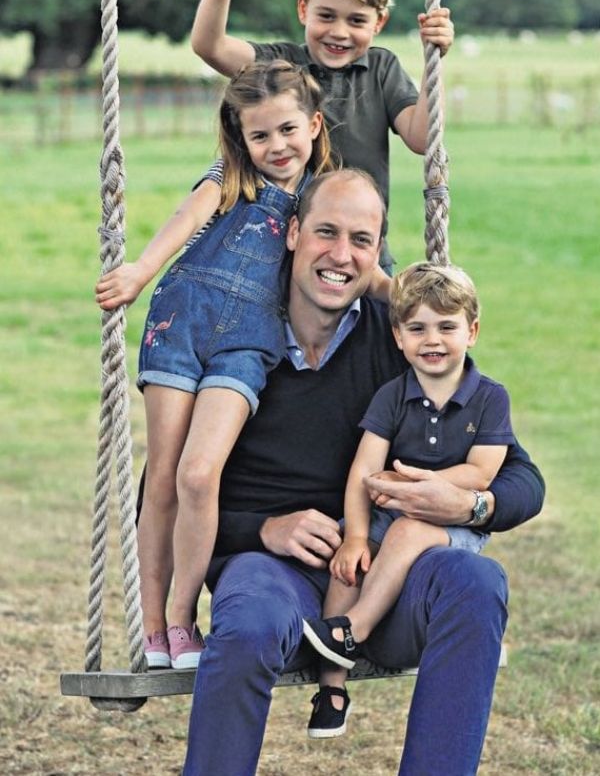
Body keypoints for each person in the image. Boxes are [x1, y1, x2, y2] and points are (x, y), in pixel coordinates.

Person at [179, 169, 545, 775]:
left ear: (378, 254)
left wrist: (467, 507)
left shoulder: (400, 341)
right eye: (326, 232)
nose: (341, 256)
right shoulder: (238, 338)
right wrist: (264, 530)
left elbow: (521, 480)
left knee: (475, 585)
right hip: (276, 577)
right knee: (245, 622)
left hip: (388, 578)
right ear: (293, 232)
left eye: (362, 239)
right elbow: (164, 498)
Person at [95, 60, 338, 670]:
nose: (275, 146)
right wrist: (140, 271)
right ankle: (155, 629)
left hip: (249, 341)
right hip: (182, 320)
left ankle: (182, 617)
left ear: (312, 124)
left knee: (201, 475)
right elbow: (186, 220)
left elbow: (348, 258)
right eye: (260, 135)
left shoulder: (321, 195)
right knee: (165, 476)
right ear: (242, 137)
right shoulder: (231, 175)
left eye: (286, 130)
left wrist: (408, 295)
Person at [302, 261, 516, 739]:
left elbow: (483, 472)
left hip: (453, 522)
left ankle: (353, 628)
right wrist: (356, 536)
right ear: (398, 337)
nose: (433, 340)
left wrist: (424, 487)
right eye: (417, 328)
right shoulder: (392, 396)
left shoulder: (489, 399)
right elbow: (363, 471)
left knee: (408, 529)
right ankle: (332, 687)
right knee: (346, 563)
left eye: (447, 327)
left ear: (472, 331)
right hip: (390, 507)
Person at [191, 0, 454, 270]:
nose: (339, 32)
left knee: (378, 321)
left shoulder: (382, 69)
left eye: (357, 21)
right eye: (326, 16)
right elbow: (210, 46)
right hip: (287, 258)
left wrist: (432, 62)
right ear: (303, 9)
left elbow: (422, 138)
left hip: (363, 255)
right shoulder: (281, 66)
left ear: (379, 23)